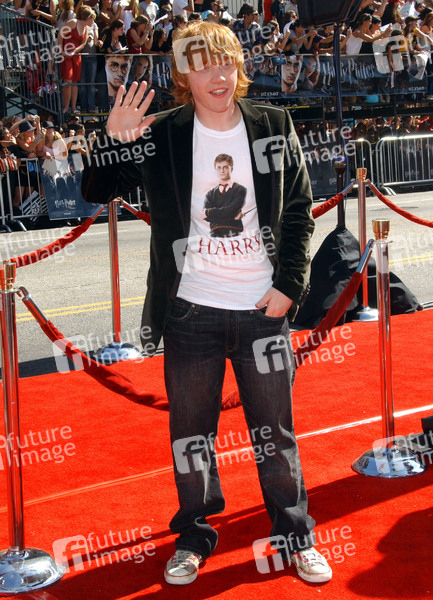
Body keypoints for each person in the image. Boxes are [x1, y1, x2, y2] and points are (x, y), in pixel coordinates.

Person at [82, 20, 332, 588]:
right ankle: (193, 536)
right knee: (191, 438)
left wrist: (289, 286)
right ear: (183, 75)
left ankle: (296, 535)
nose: (216, 75)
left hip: (262, 309)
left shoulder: (273, 125)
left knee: (276, 433)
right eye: (201, 64)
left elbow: (298, 209)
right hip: (189, 311)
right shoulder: (164, 132)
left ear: (238, 65)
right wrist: (111, 138)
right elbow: (96, 190)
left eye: (224, 61)